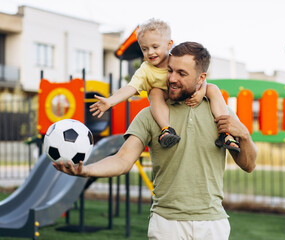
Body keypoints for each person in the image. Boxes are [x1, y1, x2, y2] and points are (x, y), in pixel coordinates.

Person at [54, 41, 257, 240]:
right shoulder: (149, 114)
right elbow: (122, 159)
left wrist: (244, 135)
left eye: (182, 73)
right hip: (166, 225)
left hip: (212, 225)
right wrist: (87, 170)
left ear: (201, 78)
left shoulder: (221, 112)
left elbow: (248, 165)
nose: (172, 78)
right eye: (170, 70)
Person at [89, 18, 240, 151]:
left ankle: (225, 134)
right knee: (155, 91)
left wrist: (201, 91)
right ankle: (166, 130)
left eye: (155, 47)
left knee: (213, 88)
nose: (150, 52)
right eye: (145, 49)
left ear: (169, 44)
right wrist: (110, 101)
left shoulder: (176, 59)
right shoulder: (146, 70)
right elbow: (130, 88)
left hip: (186, 93)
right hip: (166, 98)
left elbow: (197, 74)